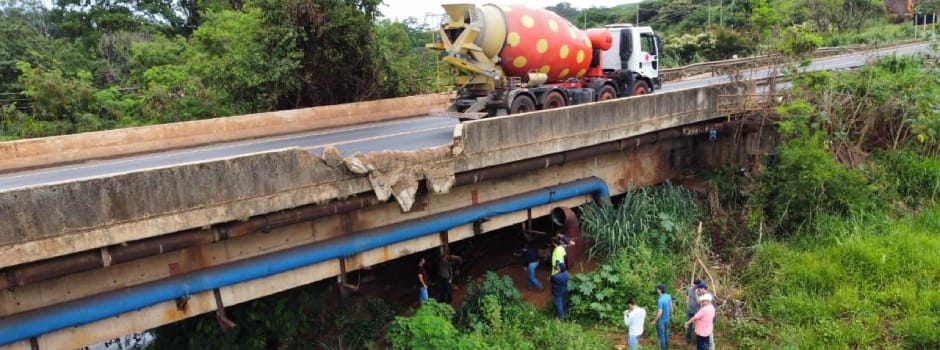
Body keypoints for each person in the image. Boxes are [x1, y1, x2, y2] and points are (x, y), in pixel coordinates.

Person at [652, 283, 673, 350]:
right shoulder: (668, 296)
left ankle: (663, 348)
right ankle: (667, 346)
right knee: (666, 332)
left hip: (661, 320)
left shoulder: (660, 300)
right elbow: (671, 307)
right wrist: (670, 314)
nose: (656, 290)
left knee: (661, 335)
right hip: (667, 318)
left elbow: (660, 312)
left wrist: (655, 320)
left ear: (659, 290)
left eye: (657, 289)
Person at [686, 279, 703, 344]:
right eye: (693, 284)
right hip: (689, 310)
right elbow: (687, 296)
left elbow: (699, 302)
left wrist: (696, 293)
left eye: (695, 285)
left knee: (698, 326)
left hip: (697, 312)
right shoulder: (689, 289)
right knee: (688, 325)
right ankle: (688, 340)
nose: (693, 286)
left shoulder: (701, 292)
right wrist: (687, 304)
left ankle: (697, 341)